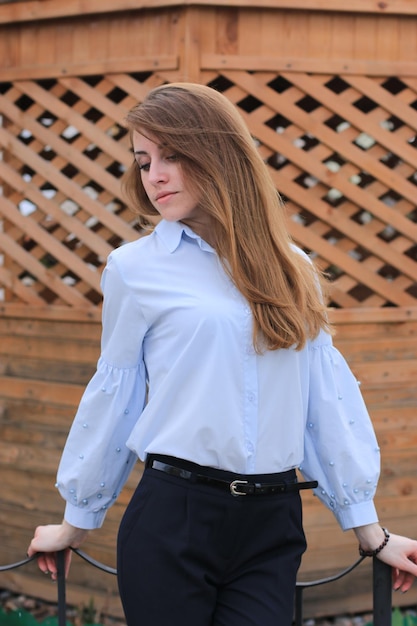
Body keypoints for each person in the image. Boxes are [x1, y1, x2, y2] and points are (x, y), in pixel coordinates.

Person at [28, 82, 417, 626]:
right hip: (173, 516)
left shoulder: (294, 267)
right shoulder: (134, 269)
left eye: (172, 156)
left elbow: (322, 402)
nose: (154, 175)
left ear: (220, 155)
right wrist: (76, 519)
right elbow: (116, 396)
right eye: (143, 162)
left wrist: (369, 532)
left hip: (272, 522)